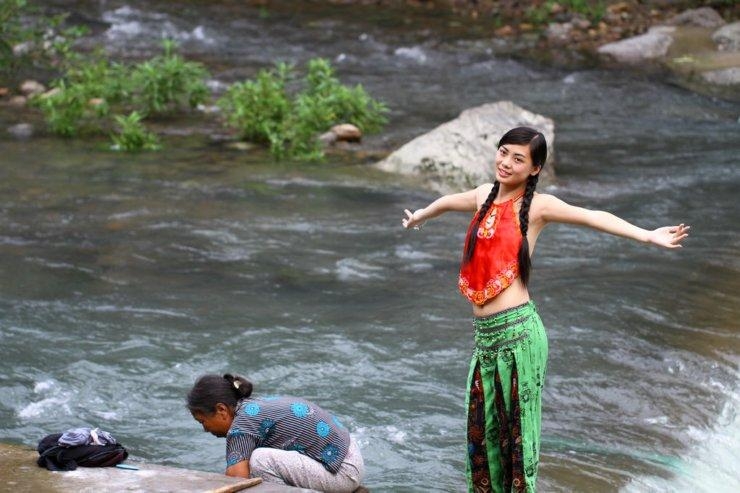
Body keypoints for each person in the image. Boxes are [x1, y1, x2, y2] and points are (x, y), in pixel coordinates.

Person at [401, 127, 689, 492]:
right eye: (503, 152)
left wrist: (646, 235)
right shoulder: (483, 195)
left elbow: (593, 216)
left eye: (518, 158)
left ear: (534, 168)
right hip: (485, 341)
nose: (506, 163)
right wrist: (420, 216)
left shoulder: (538, 206)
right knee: (481, 438)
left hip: (519, 336)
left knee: (518, 444)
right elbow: (445, 202)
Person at [187, 373, 365, 492]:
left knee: (260, 460)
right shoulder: (252, 407)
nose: (205, 429)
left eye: (203, 421)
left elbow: (236, 480)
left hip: (343, 472)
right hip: (348, 457)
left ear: (222, 410)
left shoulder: (241, 426)